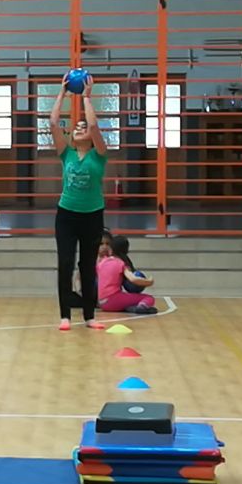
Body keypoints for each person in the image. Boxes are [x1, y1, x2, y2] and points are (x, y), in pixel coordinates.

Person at [50, 72, 109, 331]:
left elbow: (94, 127)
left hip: (92, 215)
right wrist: (62, 93)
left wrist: (86, 97)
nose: (81, 128)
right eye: (77, 128)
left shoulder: (99, 155)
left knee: (87, 265)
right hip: (67, 216)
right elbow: (53, 123)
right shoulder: (67, 154)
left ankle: (89, 316)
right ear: (72, 137)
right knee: (65, 263)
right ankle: (65, 316)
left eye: (83, 127)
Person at [97, 236, 157, 314]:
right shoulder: (121, 264)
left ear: (111, 249)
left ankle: (130, 307)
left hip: (101, 303)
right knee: (149, 298)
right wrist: (149, 281)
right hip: (113, 300)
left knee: (125, 299)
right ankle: (142, 307)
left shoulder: (102, 262)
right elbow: (133, 279)